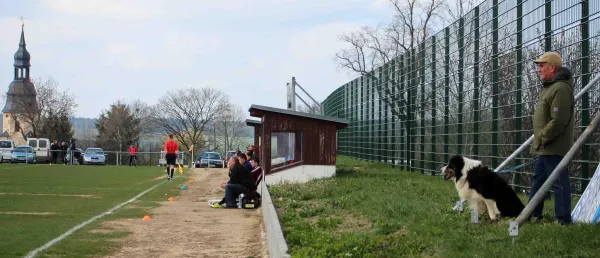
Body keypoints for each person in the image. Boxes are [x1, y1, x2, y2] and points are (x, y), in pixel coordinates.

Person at [528, 51, 574, 225]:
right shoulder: (551, 87)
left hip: (553, 145)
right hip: (546, 145)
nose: (539, 69)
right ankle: (533, 214)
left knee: (559, 182)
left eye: (541, 66)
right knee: (539, 180)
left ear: (552, 67)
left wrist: (542, 137)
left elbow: (559, 120)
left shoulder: (560, 88)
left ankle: (563, 220)